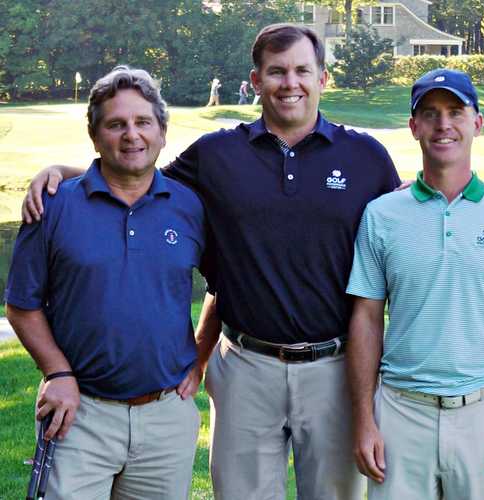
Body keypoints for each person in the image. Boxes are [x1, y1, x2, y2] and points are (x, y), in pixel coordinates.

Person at [22, 23, 400, 500]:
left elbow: (402, 236)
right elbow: (137, 175)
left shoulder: (366, 157)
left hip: (335, 366)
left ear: (323, 78)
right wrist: (61, 173)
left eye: (303, 70)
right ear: (256, 80)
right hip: (245, 367)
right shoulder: (217, 155)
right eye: (276, 71)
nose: (290, 83)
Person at [5, 66, 206, 499]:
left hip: (165, 417)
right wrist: (56, 371)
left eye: (142, 122)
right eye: (116, 124)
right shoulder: (54, 206)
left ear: (163, 132)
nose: (131, 135)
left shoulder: (189, 206)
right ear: (96, 137)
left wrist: (201, 356)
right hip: (79, 414)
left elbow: (229, 283)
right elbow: (22, 304)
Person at [346, 68, 484, 499]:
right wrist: (364, 418)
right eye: (430, 114)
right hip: (400, 410)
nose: (443, 125)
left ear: (477, 123)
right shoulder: (381, 215)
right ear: (413, 126)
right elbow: (365, 318)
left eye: (456, 112)